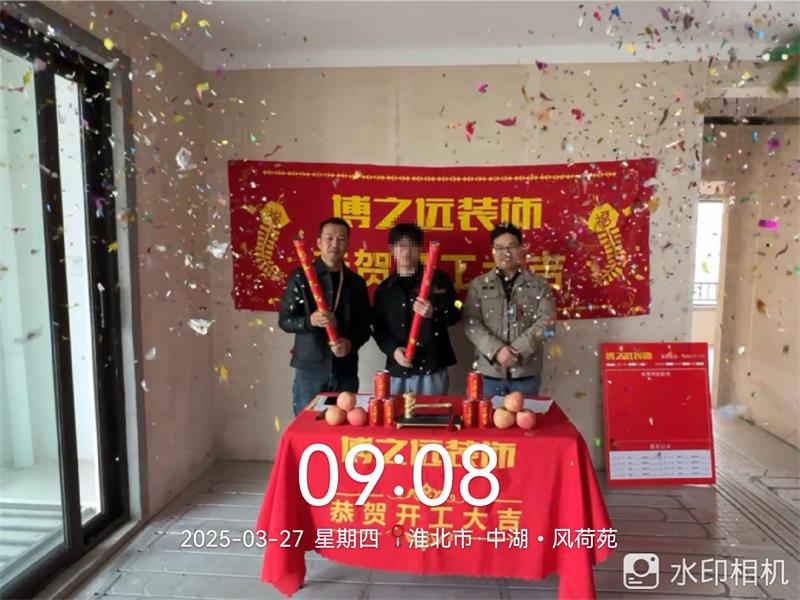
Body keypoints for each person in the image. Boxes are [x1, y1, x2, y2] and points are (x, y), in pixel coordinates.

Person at [278, 217, 371, 415]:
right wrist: (309, 321)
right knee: (308, 426)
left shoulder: (355, 283)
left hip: (345, 370)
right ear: (319, 242)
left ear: (348, 244)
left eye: (341, 239)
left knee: (344, 425)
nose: (334, 244)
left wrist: (349, 343)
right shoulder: (300, 277)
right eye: (329, 238)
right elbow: (285, 321)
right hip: (309, 370)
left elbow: (365, 327)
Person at [463, 222, 556, 397]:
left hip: (526, 373)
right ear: (493, 251)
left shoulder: (538, 285)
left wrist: (518, 350)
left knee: (526, 414)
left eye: (511, 247)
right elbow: (470, 323)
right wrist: (497, 350)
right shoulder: (479, 285)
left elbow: (548, 323)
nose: (505, 253)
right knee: (488, 415)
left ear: (521, 249)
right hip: (489, 372)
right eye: (499, 248)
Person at [372, 223, 460, 395]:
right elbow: (378, 329)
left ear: (420, 248)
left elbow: (456, 312)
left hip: (432, 367)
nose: (406, 252)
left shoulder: (439, 280)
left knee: (432, 411)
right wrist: (393, 350)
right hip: (397, 369)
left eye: (412, 245)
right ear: (392, 249)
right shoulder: (384, 289)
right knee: (395, 412)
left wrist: (433, 313)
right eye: (401, 246)